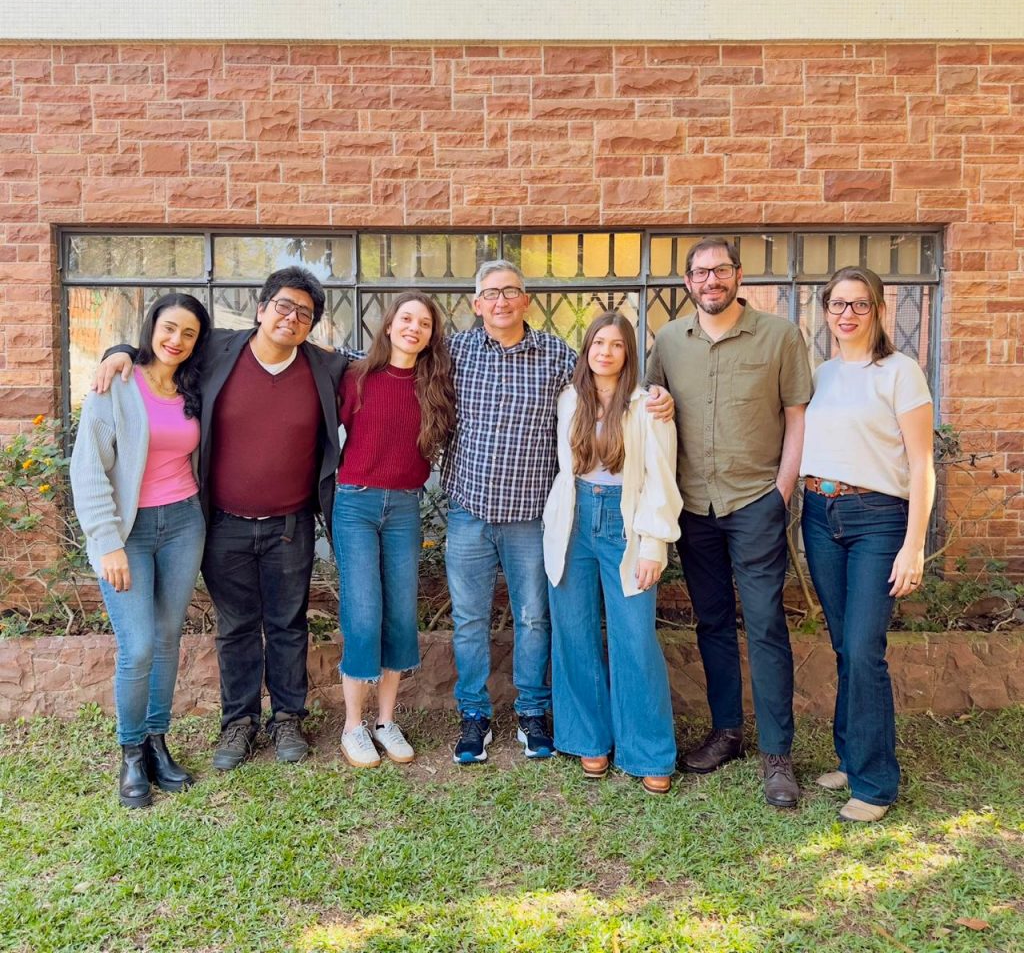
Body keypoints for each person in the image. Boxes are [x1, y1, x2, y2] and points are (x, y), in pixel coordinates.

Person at [93, 268, 349, 770]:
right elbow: (163, 347)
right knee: (235, 627)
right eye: (284, 305)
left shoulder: (328, 367)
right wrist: (118, 352)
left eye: (304, 313)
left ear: (312, 325)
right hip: (222, 523)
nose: (292, 318)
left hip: (290, 526)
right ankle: (239, 722)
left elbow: (383, 363)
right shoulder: (216, 350)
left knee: (288, 624)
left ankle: (288, 718)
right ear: (261, 308)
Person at [443, 259, 674, 764]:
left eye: (511, 291)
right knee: (476, 620)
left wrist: (657, 396)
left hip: (535, 514)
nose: (501, 301)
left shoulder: (556, 358)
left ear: (526, 300)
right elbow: (396, 360)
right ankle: (476, 717)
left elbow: (611, 386)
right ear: (476, 303)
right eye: (490, 293)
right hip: (475, 510)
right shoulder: (454, 351)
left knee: (538, 620)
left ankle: (537, 714)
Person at [646, 237, 812, 808]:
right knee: (712, 621)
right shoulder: (670, 340)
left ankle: (777, 755)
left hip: (755, 502)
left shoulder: (779, 337)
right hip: (694, 506)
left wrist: (781, 493)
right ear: (687, 282)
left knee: (765, 624)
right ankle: (726, 733)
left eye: (720, 270)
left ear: (738, 275)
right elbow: (652, 410)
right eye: (700, 273)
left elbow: (796, 418)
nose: (710, 280)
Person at [800, 266, 934, 823]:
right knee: (843, 646)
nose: (847, 314)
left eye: (859, 304)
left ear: (878, 310)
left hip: (877, 519)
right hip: (818, 513)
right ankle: (851, 759)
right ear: (826, 311)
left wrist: (914, 545)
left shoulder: (900, 372)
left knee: (862, 647)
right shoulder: (822, 374)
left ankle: (875, 784)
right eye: (838, 304)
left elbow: (922, 463)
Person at [72, 293, 210, 808]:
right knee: (138, 647)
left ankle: (156, 742)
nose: (176, 340)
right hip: (128, 531)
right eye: (169, 328)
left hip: (183, 524)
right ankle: (130, 753)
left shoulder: (194, 386)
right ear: (151, 326)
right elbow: (88, 469)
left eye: (189, 333)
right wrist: (106, 541)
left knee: (168, 638)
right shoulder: (116, 384)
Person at [543, 312, 682, 794]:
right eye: (598, 343)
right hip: (573, 520)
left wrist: (654, 544)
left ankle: (649, 751)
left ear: (628, 354)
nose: (605, 352)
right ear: (586, 350)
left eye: (616, 344)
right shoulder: (568, 400)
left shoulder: (648, 406)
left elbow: (662, 479)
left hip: (625, 523)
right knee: (574, 632)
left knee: (635, 638)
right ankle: (589, 739)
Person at [333, 291, 455, 768]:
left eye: (424, 323)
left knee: (400, 615)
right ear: (388, 325)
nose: (413, 328)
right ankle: (353, 726)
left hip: (404, 507)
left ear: (431, 336)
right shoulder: (356, 377)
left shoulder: (435, 385)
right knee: (364, 614)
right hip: (356, 504)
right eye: (406, 318)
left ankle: (386, 722)